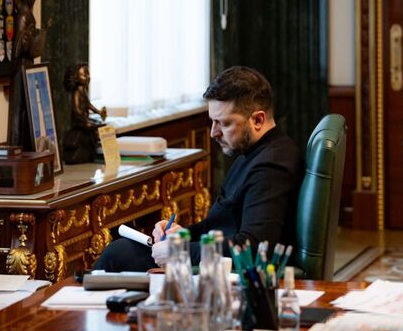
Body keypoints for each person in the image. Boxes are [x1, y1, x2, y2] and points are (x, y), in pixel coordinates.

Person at [94, 66, 304, 271]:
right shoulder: (253, 152)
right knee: (119, 251)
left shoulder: (271, 166)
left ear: (258, 120)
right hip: (212, 257)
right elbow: (218, 225)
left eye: (224, 123)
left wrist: (180, 251)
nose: (213, 133)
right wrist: (181, 235)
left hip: (226, 270)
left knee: (117, 256)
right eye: (212, 122)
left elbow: (254, 246)